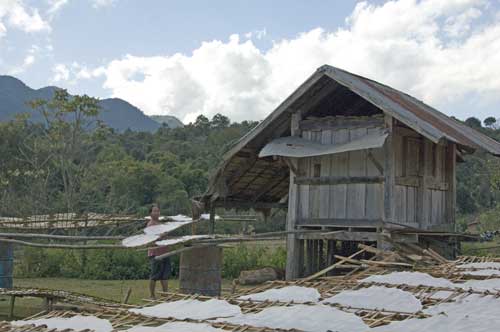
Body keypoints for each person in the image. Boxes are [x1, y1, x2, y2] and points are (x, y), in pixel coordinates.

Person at [147, 204, 170, 299]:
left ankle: (165, 294)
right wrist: (163, 234)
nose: (156, 213)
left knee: (165, 275)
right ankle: (152, 295)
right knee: (154, 275)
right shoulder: (150, 224)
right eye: (154, 211)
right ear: (150, 213)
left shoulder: (160, 223)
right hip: (155, 253)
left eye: (158, 211)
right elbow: (153, 237)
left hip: (164, 251)